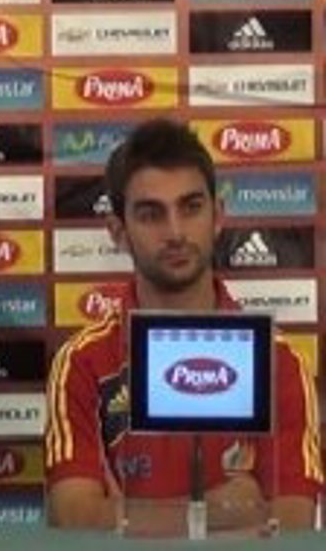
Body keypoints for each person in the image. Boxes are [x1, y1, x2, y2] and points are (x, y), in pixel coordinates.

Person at [45, 117, 322, 532]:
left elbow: (293, 524)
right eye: (151, 214)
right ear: (118, 232)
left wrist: (129, 518)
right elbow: (75, 519)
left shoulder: (279, 361)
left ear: (218, 216)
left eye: (191, 207)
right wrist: (221, 511)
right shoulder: (82, 363)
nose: (175, 232)